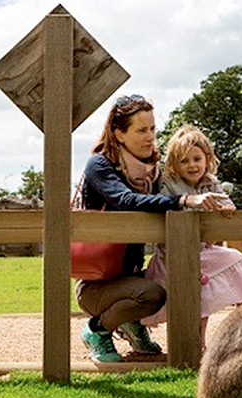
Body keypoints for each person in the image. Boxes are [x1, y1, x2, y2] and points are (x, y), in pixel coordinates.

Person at [75, 94, 189, 363]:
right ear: (119, 134)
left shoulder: (152, 172)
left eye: (152, 129)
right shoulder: (100, 165)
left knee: (183, 280)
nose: (150, 137)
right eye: (141, 130)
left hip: (132, 274)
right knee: (152, 294)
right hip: (97, 283)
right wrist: (181, 201)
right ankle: (97, 330)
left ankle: (130, 323)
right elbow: (125, 200)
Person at [142, 125, 242, 351]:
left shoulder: (211, 182)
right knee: (188, 299)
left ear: (207, 159)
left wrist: (225, 209)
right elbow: (162, 206)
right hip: (174, 254)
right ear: (174, 165)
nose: (192, 165)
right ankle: (190, 344)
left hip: (204, 253)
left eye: (197, 159)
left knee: (231, 266)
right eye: (184, 161)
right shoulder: (169, 184)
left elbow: (226, 203)